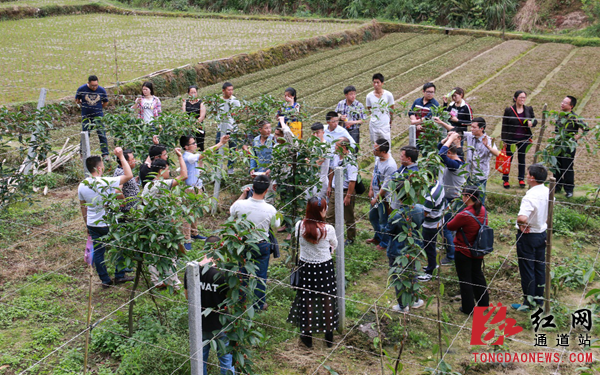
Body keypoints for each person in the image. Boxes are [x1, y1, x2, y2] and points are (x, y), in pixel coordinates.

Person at [78, 147, 134, 288]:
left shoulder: (82, 185)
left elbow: (83, 207)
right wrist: (121, 156)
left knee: (98, 252)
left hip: (93, 223)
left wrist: (87, 225)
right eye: (102, 165)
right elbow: (128, 175)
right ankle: (119, 275)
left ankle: (105, 280)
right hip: (108, 222)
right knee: (119, 246)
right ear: (98, 168)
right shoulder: (105, 182)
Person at [288, 196, 339, 348]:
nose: (327, 209)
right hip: (324, 267)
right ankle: (329, 333)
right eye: (325, 207)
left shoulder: (299, 226)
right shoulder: (328, 229)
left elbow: (299, 240)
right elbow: (334, 244)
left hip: (305, 266)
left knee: (307, 299)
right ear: (321, 211)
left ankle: (307, 334)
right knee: (327, 298)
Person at [184, 236, 235, 375]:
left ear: (204, 249)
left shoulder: (191, 270)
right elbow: (229, 301)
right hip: (221, 324)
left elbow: (188, 296)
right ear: (220, 251)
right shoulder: (223, 274)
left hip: (199, 325)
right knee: (226, 360)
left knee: (200, 361)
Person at [383, 145, 425, 312]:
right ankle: (414, 300)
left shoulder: (396, 216)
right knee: (412, 271)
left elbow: (388, 230)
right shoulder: (419, 209)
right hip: (413, 246)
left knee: (399, 276)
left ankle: (402, 305)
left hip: (398, 249)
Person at [230, 175, 281, 310]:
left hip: (243, 244)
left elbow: (232, 211)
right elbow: (276, 224)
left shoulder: (240, 204)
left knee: (242, 271)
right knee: (261, 275)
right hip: (261, 244)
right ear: (266, 191)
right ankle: (259, 304)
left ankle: (241, 300)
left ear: (252, 188)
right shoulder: (270, 209)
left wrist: (243, 195)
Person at [142, 148, 188, 289]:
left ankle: (157, 280)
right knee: (170, 253)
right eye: (167, 169)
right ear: (161, 171)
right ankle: (173, 282)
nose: (169, 172)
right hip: (164, 225)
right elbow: (184, 176)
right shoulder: (161, 184)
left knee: (154, 251)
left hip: (151, 224)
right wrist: (180, 157)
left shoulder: (147, 185)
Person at [180, 134, 230, 248]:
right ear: (186, 146)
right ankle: (186, 238)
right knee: (188, 214)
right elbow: (206, 153)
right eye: (193, 143)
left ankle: (194, 233)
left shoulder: (191, 156)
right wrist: (220, 143)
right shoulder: (188, 157)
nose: (195, 145)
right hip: (190, 189)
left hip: (196, 187)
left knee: (195, 211)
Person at [446, 186, 490, 314]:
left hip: (464, 251)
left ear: (468, 197)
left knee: (465, 279)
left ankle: (468, 308)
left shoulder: (464, 215)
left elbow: (450, 226)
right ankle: (483, 303)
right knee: (478, 276)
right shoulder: (482, 210)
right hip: (478, 249)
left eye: (463, 195)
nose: (462, 197)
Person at [513, 164, 549, 311]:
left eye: (527, 174)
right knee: (539, 267)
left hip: (528, 236)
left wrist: (522, 223)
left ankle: (528, 303)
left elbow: (522, 217)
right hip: (542, 233)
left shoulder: (530, 196)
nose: (526, 176)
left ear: (532, 178)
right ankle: (539, 300)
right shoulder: (548, 190)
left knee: (527, 269)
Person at [438, 132, 466, 266]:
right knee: (450, 226)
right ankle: (451, 248)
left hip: (455, 200)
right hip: (453, 198)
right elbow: (440, 148)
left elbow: (440, 155)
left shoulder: (455, 165)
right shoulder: (458, 157)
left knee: (445, 226)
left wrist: (450, 140)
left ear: (449, 152)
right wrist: (448, 139)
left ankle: (451, 255)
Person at [500, 90, 538, 189]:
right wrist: (504, 140)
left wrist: (532, 123)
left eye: (524, 97)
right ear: (515, 98)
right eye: (520, 97)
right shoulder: (509, 110)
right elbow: (504, 125)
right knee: (508, 159)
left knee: (522, 159)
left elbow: (535, 120)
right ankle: (505, 179)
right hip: (511, 139)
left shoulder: (528, 109)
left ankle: (521, 179)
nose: (522, 99)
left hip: (523, 139)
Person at [554, 96, 589, 198]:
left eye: (565, 103)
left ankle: (569, 190)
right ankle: (557, 186)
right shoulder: (560, 116)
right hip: (558, 145)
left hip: (569, 146)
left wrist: (578, 136)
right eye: (562, 101)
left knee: (567, 167)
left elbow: (586, 128)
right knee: (557, 166)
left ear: (571, 106)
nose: (562, 104)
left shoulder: (574, 117)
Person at [326, 138, 357, 246]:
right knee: (330, 215)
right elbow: (332, 171)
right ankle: (330, 237)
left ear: (343, 147)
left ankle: (350, 238)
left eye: (336, 145)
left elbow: (352, 180)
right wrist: (329, 186)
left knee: (348, 216)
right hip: (335, 190)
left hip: (345, 190)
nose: (334, 147)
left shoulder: (350, 161)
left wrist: (348, 196)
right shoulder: (335, 157)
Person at [367, 139, 397, 251]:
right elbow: (374, 174)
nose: (373, 151)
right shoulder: (378, 159)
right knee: (373, 217)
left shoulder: (390, 166)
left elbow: (386, 186)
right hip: (376, 194)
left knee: (383, 221)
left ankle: (384, 242)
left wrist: (376, 198)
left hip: (384, 198)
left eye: (376, 149)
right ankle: (377, 237)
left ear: (383, 151)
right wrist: (371, 188)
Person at [462, 118, 499, 205]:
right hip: (469, 174)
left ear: (481, 128)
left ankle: (480, 217)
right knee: (467, 200)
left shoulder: (488, 140)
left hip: (480, 177)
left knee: (479, 201)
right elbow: (455, 132)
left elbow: (497, 153)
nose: (471, 129)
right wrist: (441, 122)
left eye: (474, 127)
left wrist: (487, 146)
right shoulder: (470, 136)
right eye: (471, 127)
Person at [417, 178, 445, 282]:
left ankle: (430, 272)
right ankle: (433, 265)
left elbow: (423, 214)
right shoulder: (438, 184)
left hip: (430, 224)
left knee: (429, 247)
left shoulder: (431, 196)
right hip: (438, 220)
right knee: (431, 246)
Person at [75, 75, 110, 160]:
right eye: (92, 86)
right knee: (85, 134)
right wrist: (83, 106)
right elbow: (77, 100)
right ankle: (83, 154)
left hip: (98, 116)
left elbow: (105, 102)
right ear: (88, 83)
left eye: (96, 85)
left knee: (102, 134)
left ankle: (105, 154)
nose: (94, 87)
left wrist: (99, 109)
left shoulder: (101, 90)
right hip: (86, 116)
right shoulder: (81, 89)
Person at [215, 82, 241, 174]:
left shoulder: (235, 101)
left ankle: (230, 169)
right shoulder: (218, 100)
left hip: (232, 129)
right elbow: (215, 112)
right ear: (223, 91)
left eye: (232, 90)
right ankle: (218, 169)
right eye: (228, 90)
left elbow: (238, 114)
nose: (231, 92)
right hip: (221, 128)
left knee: (232, 149)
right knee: (217, 149)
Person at [365, 73, 395, 144]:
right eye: (374, 82)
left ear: (382, 83)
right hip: (374, 125)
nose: (376, 84)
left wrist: (390, 121)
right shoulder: (369, 96)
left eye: (377, 82)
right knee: (375, 146)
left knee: (386, 145)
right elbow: (370, 109)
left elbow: (391, 109)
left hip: (384, 125)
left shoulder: (388, 95)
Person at [113, 149, 139, 213]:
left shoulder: (122, 170)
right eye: (132, 159)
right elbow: (117, 190)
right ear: (125, 161)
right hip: (127, 211)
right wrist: (123, 202)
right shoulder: (122, 172)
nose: (134, 161)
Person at [182, 85, 207, 151]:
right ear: (188, 93)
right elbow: (184, 115)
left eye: (195, 92)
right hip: (188, 127)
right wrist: (189, 124)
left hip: (199, 127)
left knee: (200, 146)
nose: (193, 94)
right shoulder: (185, 103)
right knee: (188, 145)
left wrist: (195, 124)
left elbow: (202, 116)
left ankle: (200, 160)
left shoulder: (201, 103)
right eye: (191, 93)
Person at [311, 122, 330, 199]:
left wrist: (307, 161)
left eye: (317, 133)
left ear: (323, 132)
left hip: (321, 181)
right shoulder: (313, 145)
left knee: (319, 204)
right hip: (312, 180)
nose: (315, 135)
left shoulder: (325, 146)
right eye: (313, 133)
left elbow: (317, 163)